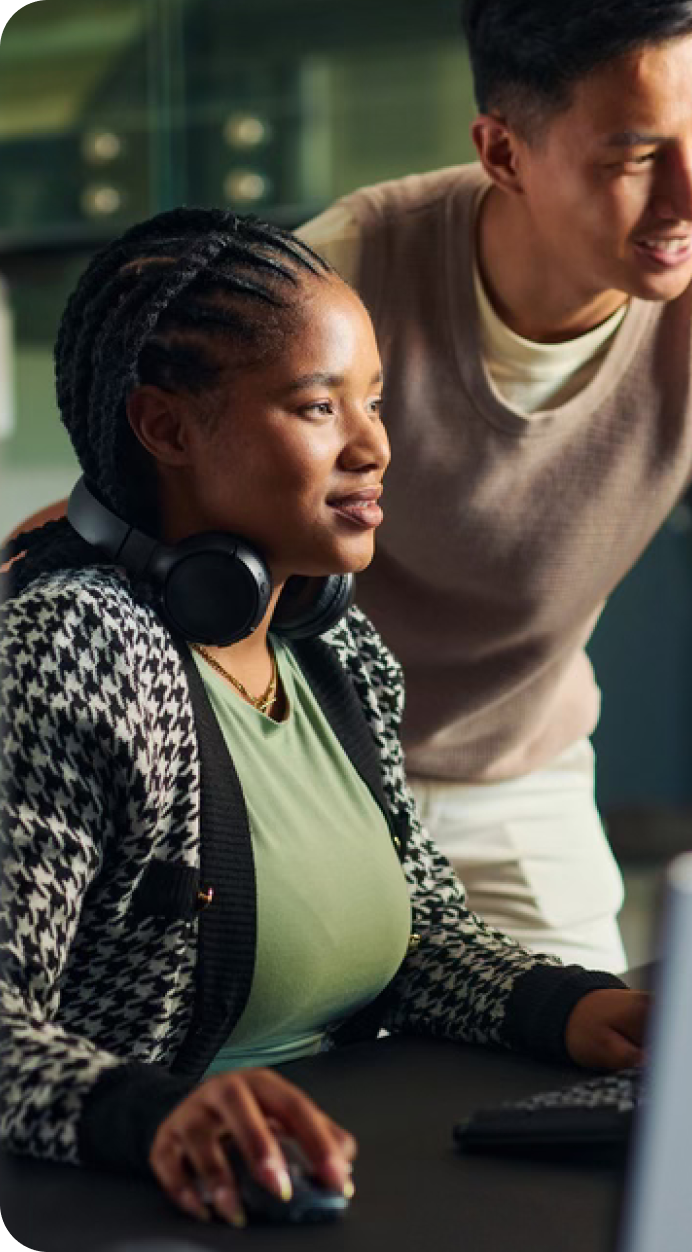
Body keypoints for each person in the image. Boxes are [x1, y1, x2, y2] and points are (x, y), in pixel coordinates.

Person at [0, 207, 649, 1228]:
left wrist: (576, 1008)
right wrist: (152, 1115)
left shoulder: (335, 651)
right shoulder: (73, 652)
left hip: (344, 1173)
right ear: (166, 427)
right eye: (317, 408)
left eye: (375, 402)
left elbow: (419, 931)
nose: (375, 446)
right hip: (149, 1205)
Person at [293, 0, 692, 973]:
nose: (690, 195)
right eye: (631, 158)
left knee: (594, 1096)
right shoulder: (345, 275)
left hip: (519, 777)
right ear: (502, 153)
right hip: (307, 778)